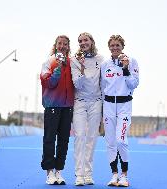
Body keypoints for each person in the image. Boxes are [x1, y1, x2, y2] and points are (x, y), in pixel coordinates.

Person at [100, 35, 139, 187]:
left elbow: (134, 84)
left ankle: (124, 175)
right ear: (109, 47)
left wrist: (125, 68)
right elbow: (103, 87)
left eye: (118, 45)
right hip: (108, 106)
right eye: (112, 45)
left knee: (120, 140)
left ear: (122, 46)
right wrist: (103, 109)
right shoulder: (105, 65)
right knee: (110, 142)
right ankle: (114, 175)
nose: (115, 47)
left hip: (124, 106)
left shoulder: (131, 61)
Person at [40, 35, 74, 185]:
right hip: (52, 105)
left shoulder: (72, 62)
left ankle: (59, 171)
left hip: (68, 107)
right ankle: (49, 173)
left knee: (64, 140)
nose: (62, 46)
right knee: (49, 139)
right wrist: (58, 69)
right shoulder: (49, 62)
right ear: (55, 45)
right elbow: (49, 83)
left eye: (65, 44)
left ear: (68, 46)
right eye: (60, 43)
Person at [71, 32, 104, 186]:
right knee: (80, 137)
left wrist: (104, 107)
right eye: (80, 41)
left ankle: (88, 174)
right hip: (80, 102)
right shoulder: (74, 60)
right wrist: (82, 67)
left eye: (85, 40)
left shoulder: (101, 60)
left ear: (92, 41)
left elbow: (103, 84)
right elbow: (77, 84)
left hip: (96, 102)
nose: (83, 43)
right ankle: (79, 175)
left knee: (91, 138)